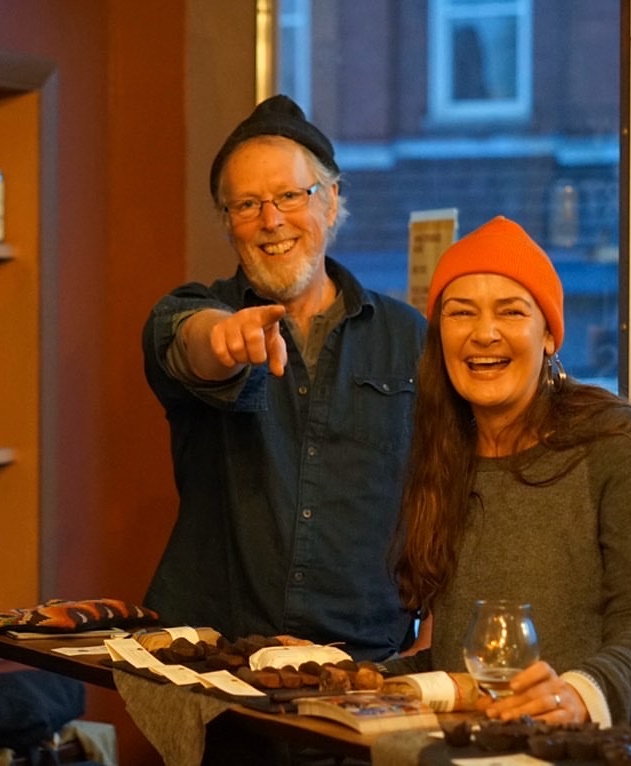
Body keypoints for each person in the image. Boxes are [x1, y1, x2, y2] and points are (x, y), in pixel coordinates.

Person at [142, 95, 426, 664]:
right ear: (227, 223)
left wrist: (431, 637)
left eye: (290, 196)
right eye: (247, 204)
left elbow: (445, 491)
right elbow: (186, 339)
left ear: (331, 200)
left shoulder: (407, 337)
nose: (270, 221)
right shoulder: (192, 311)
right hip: (216, 665)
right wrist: (221, 339)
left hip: (366, 666)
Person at [390, 215, 631, 732]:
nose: (484, 333)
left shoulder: (615, 438)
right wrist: (344, 677)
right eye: (461, 314)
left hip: (609, 747)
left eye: (511, 312)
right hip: (485, 750)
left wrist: (578, 695)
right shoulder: (439, 454)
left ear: (549, 334)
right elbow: (455, 665)